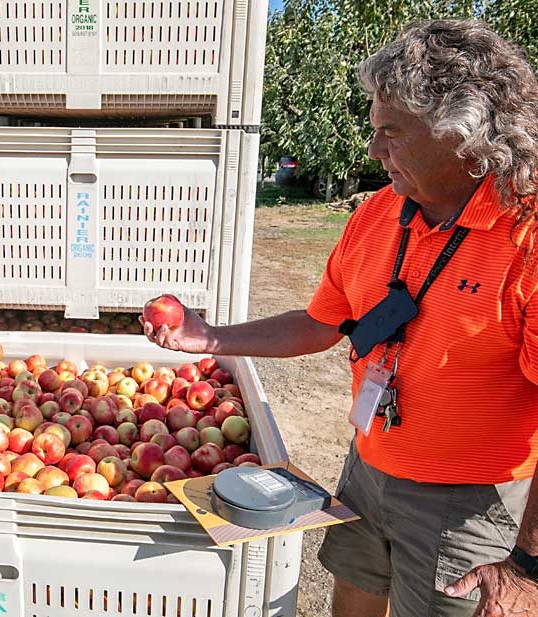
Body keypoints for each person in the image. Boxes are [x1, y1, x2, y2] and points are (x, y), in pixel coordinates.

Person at [144, 19, 538, 617]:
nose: (374, 150)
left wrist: (528, 566)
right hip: (369, 465)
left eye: (392, 133)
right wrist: (211, 336)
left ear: (466, 137)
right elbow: (321, 323)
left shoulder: (527, 237)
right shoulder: (381, 213)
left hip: (470, 505)